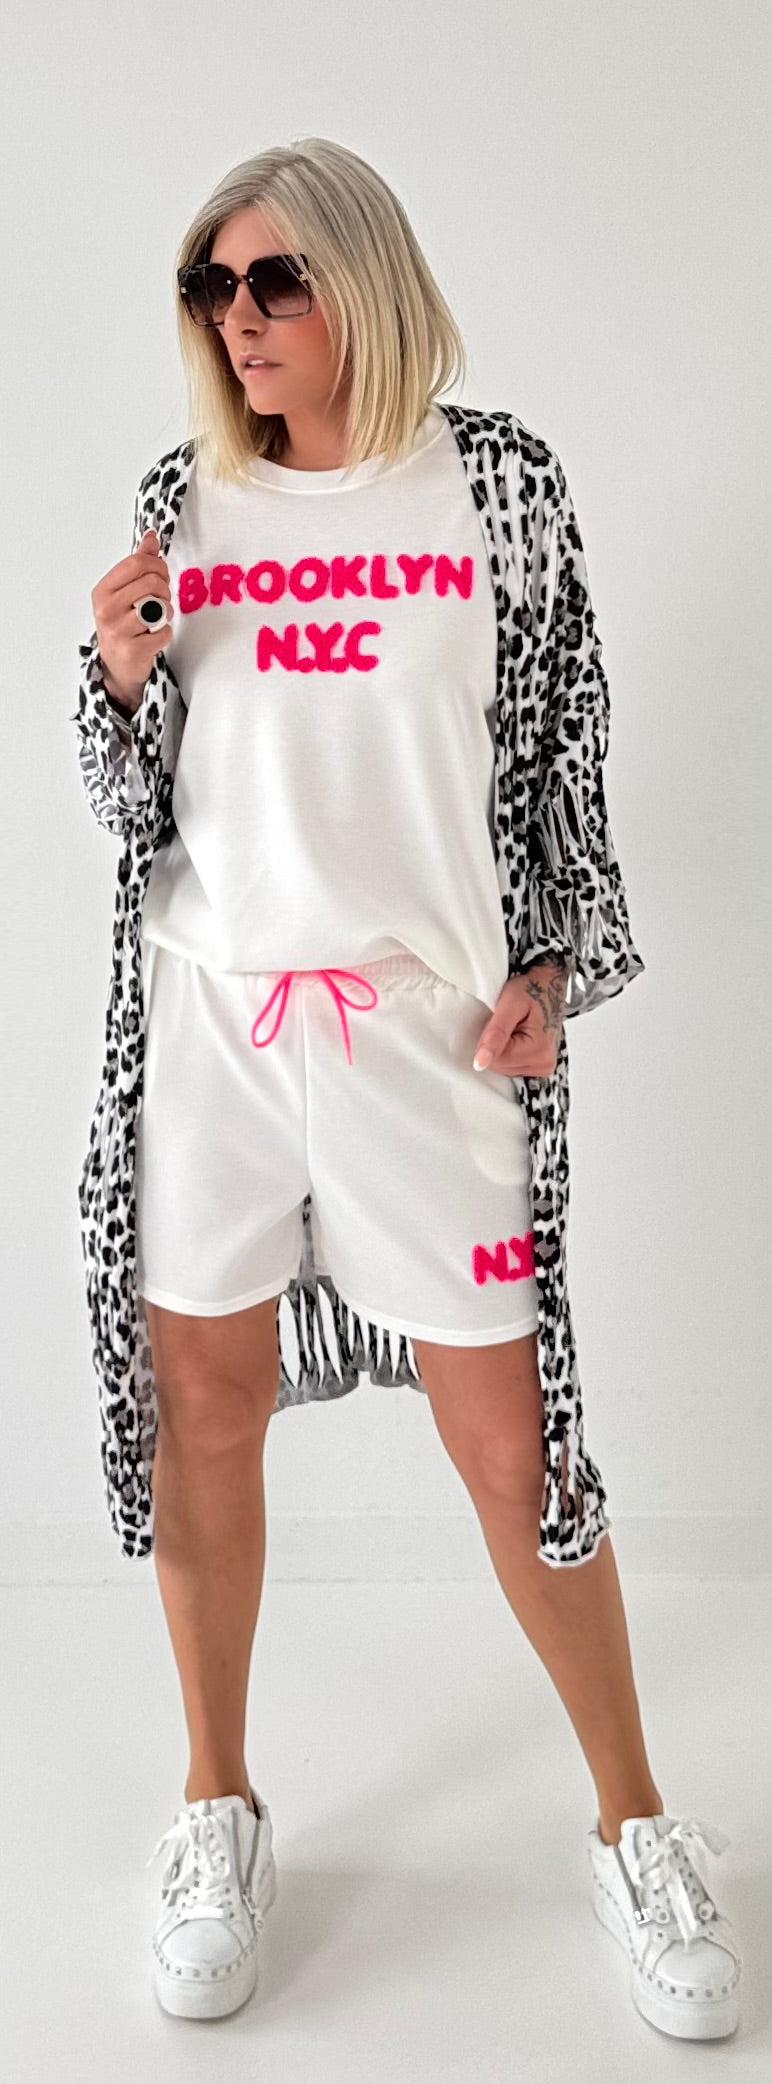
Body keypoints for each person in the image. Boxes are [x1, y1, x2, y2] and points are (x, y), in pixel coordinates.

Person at [81, 135, 741, 2033]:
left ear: (362, 277)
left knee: (515, 1449)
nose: (241, 319)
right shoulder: (188, 500)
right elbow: (136, 806)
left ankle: (634, 1822)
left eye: (275, 279)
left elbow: (561, 754)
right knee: (205, 1410)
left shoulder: (500, 486)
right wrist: (113, 679)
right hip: (214, 1030)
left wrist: (553, 967)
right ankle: (218, 1804)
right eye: (213, 288)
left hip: (422, 1039)